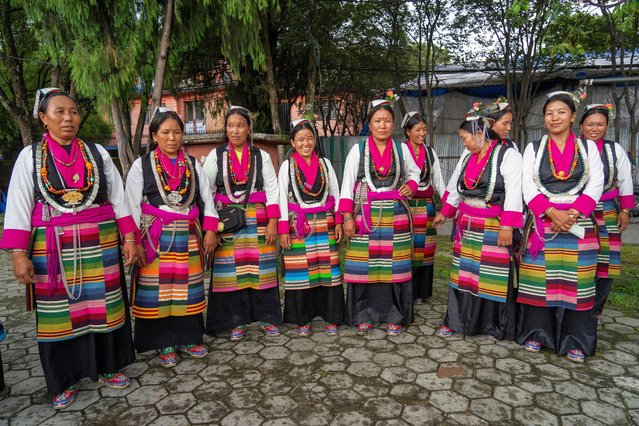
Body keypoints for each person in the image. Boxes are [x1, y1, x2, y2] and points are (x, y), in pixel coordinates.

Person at [0, 88, 137, 409]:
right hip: (52, 251)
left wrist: (130, 238)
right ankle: (64, 378)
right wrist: (19, 254)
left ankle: (108, 367)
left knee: (106, 308)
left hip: (100, 244)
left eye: (73, 111)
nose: (68, 118)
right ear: (43, 118)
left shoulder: (97, 152)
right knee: (59, 317)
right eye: (59, 112)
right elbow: (19, 205)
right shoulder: (30, 157)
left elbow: (118, 197)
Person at [125, 108, 219, 367]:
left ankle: (188, 338)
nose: (172, 138)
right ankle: (162, 342)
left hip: (188, 235)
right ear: (154, 135)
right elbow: (130, 205)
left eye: (176, 132)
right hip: (155, 238)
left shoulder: (191, 164)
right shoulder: (141, 165)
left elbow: (206, 200)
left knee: (186, 289)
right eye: (165, 132)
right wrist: (132, 240)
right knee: (159, 292)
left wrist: (210, 229)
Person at [516, 90, 604, 363]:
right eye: (549, 113)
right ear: (543, 119)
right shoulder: (533, 148)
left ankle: (575, 340)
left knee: (577, 283)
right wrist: (553, 212)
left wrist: (574, 214)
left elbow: (596, 183)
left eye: (561, 112)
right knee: (539, 281)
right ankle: (536, 334)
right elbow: (528, 187)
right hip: (544, 223)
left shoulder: (587, 148)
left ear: (573, 117)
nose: (555, 117)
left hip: (578, 223)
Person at [433, 104, 523, 340]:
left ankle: (493, 325)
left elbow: (515, 191)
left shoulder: (508, 155)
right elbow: (455, 186)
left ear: (480, 133)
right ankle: (457, 320)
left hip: (493, 226)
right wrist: (445, 211)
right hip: (467, 227)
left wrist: (507, 226)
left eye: (465, 138)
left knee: (492, 276)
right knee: (464, 274)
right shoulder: (468, 156)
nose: (463, 143)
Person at [339, 98, 421, 336]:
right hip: (365, 216)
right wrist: (347, 218)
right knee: (365, 267)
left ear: (393, 124)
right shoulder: (358, 150)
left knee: (394, 268)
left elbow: (415, 172)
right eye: (377, 121)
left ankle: (395, 313)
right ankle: (363, 313)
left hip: (396, 216)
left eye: (387, 121)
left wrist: (412, 185)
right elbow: (347, 185)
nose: (382, 125)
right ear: (369, 124)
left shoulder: (401, 149)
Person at [203, 105, 282, 341]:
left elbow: (272, 189)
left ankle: (267, 317)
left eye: (240, 126)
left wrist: (273, 222)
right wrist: (210, 227)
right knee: (230, 274)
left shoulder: (261, 156)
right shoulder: (217, 156)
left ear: (249, 129)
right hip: (228, 222)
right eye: (230, 126)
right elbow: (207, 192)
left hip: (258, 220)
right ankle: (234, 321)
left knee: (262, 271)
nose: (235, 131)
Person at [278, 118, 345, 335]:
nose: (305, 143)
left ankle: (331, 317)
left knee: (329, 271)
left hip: (325, 223)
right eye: (300, 139)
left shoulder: (325, 165)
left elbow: (335, 192)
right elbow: (280, 198)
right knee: (301, 273)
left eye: (309, 138)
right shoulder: (287, 166)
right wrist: (282, 229)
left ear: (315, 140)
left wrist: (339, 222)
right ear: (292, 142)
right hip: (299, 225)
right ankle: (303, 319)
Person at [579, 103, 633, 323]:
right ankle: (579, 305)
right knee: (581, 260)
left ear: (607, 126)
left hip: (607, 211)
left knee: (606, 262)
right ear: (580, 125)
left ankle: (596, 309)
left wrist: (625, 210)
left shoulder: (614, 150)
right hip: (580, 212)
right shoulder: (575, 147)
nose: (595, 128)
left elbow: (625, 180)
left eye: (600, 124)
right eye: (590, 124)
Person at [401, 112, 445, 304]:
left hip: (426, 207)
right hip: (406, 208)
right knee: (406, 248)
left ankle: (421, 292)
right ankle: (405, 291)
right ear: (408, 131)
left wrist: (447, 208)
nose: (422, 133)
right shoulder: (401, 150)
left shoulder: (430, 153)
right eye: (417, 129)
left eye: (424, 129)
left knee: (425, 250)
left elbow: (439, 182)